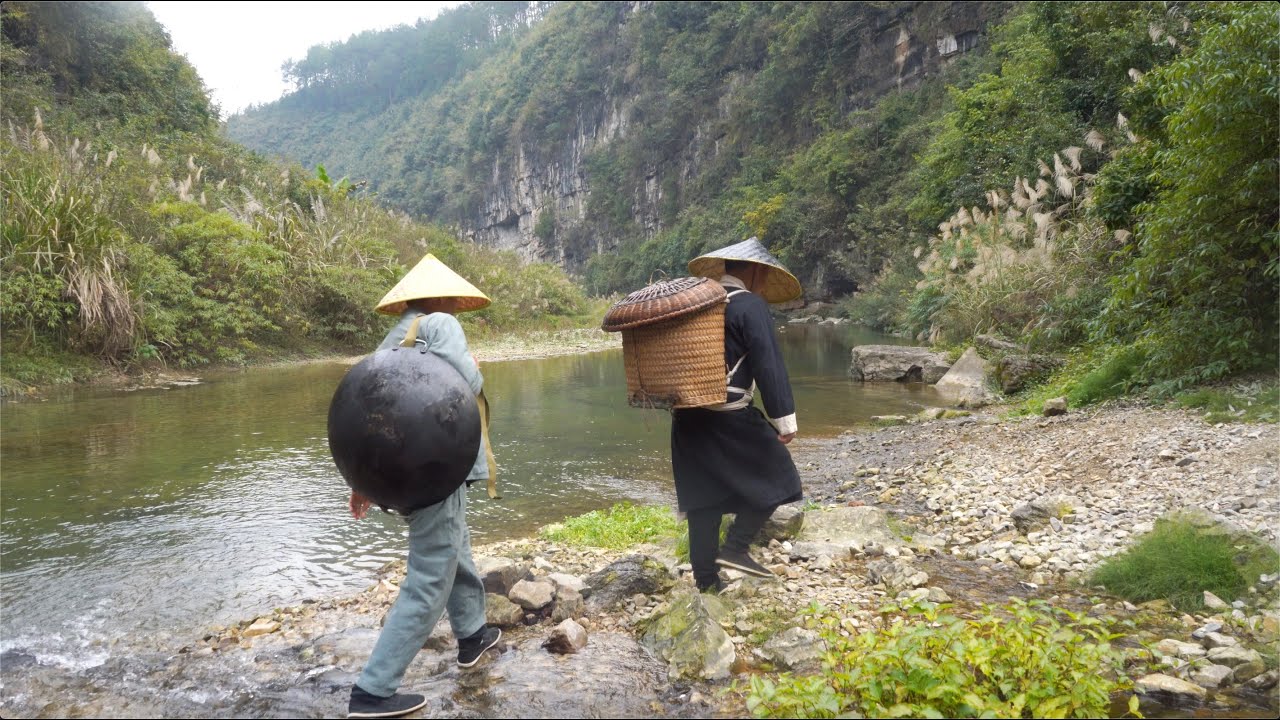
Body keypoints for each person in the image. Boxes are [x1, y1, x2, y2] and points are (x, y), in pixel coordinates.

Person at [345, 254, 502, 719]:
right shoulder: (442, 325)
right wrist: (475, 366)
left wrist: (362, 481)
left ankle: (472, 635)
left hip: (401, 468)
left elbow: (371, 411)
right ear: (439, 296)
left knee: (455, 545)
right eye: (452, 295)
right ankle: (373, 690)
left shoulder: (393, 339)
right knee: (431, 572)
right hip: (434, 464)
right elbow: (466, 382)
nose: (456, 302)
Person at [674, 238, 805, 593]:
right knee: (781, 477)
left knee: (704, 497)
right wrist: (784, 420)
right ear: (756, 270)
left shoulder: (700, 306)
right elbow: (768, 363)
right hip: (729, 416)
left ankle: (706, 582)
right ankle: (736, 547)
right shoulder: (750, 305)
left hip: (687, 417)